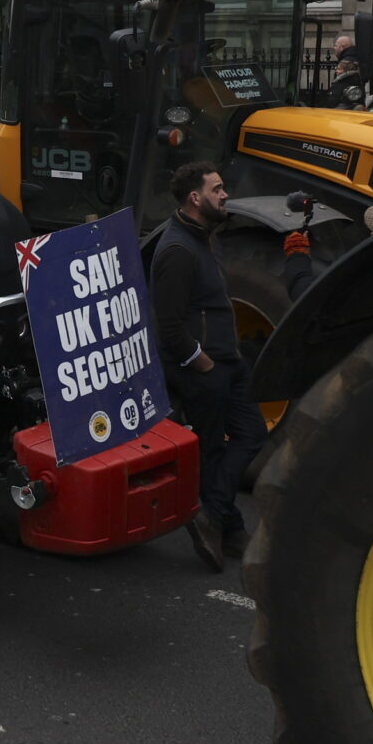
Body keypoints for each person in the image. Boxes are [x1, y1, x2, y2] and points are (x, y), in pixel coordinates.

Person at [151, 162, 264, 571]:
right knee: (213, 449)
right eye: (217, 189)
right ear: (195, 198)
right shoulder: (177, 251)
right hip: (205, 368)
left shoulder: (204, 237)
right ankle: (229, 528)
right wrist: (201, 363)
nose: (225, 194)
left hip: (228, 361)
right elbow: (169, 326)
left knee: (252, 434)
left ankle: (215, 516)